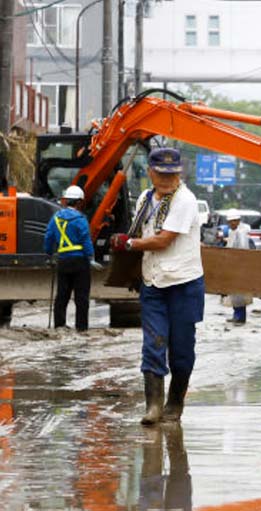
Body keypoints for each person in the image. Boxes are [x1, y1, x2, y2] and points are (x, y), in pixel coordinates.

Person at [109, 147, 205, 426]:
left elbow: (163, 241)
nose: (166, 180)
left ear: (179, 173)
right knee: (153, 343)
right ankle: (153, 406)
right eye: (161, 174)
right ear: (150, 172)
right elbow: (140, 232)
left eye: (172, 174)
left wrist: (129, 243)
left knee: (182, 350)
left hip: (184, 285)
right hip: (153, 282)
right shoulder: (145, 198)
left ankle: (175, 402)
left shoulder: (185, 200)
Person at [43, 185, 100, 331]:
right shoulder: (81, 219)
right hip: (80, 262)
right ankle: (81, 328)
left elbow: (48, 238)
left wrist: (49, 254)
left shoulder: (55, 219)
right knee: (81, 298)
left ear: (65, 201)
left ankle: (59, 326)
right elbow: (86, 240)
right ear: (79, 202)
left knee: (62, 296)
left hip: (63, 262)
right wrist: (91, 257)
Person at [225, 210, 252, 325]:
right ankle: (236, 314)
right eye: (229, 222)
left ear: (237, 221)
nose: (230, 224)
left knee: (239, 294)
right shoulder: (233, 232)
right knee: (235, 294)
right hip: (233, 266)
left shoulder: (241, 233)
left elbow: (241, 250)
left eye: (232, 222)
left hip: (240, 267)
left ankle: (240, 317)